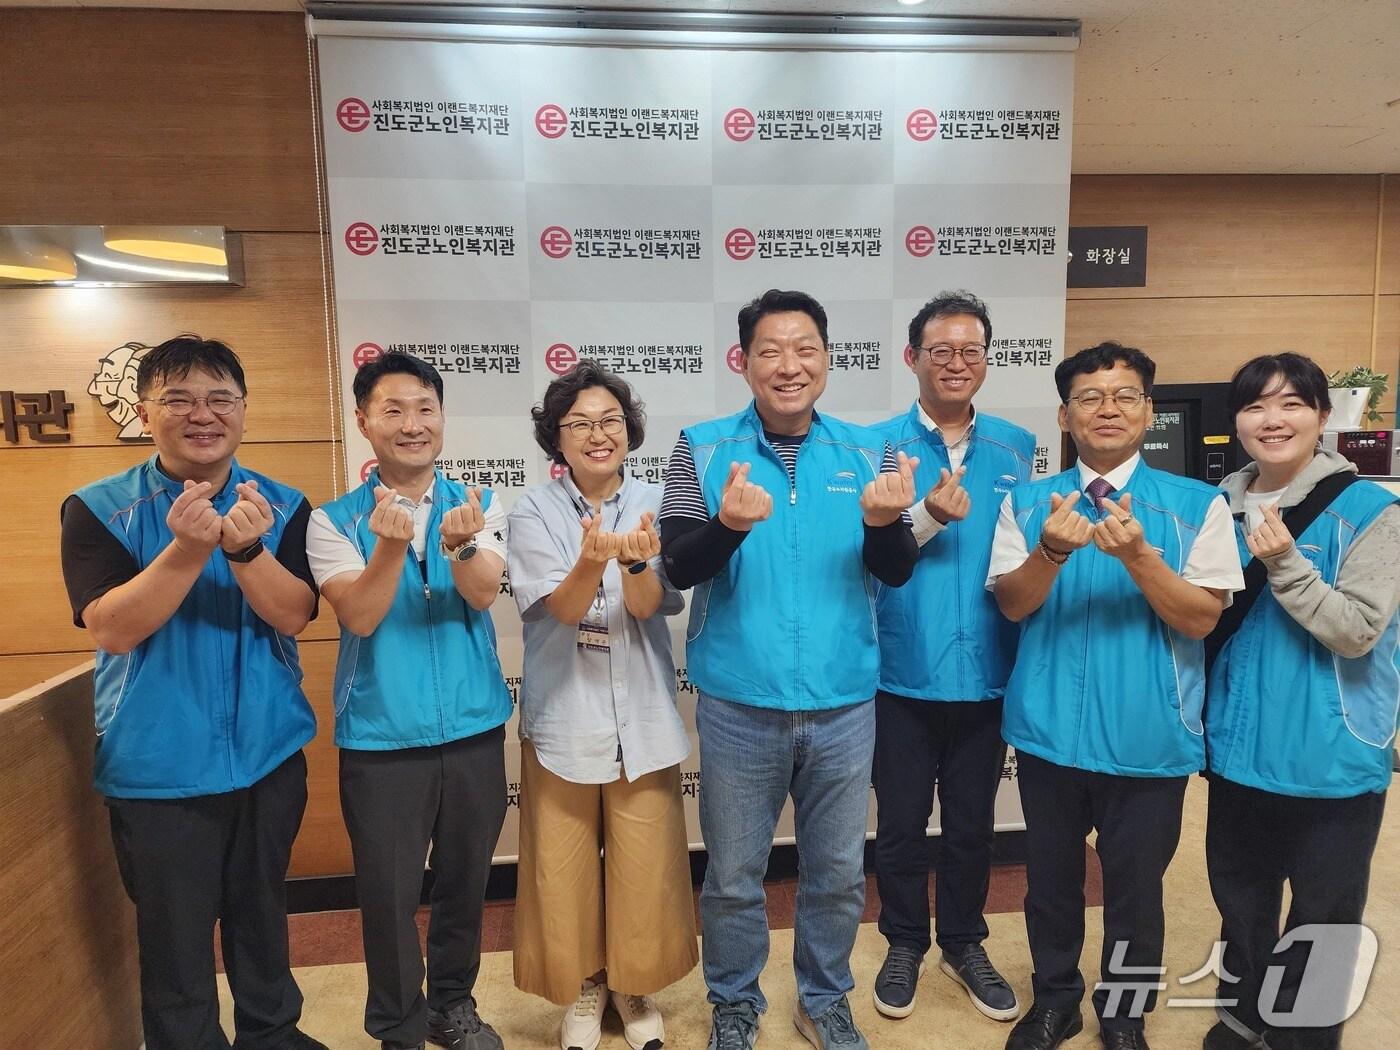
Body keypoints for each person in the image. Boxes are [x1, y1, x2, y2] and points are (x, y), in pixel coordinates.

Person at [658, 288, 919, 1050]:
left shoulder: (871, 452)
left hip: (843, 702)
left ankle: (823, 997)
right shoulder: (702, 447)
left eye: (805, 348)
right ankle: (734, 1003)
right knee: (735, 877)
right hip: (739, 701)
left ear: (828, 360)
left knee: (836, 874)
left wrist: (880, 524)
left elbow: (895, 570)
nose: (789, 365)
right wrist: (728, 527)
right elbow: (676, 566)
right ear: (743, 362)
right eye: (770, 350)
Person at [59, 335, 326, 1050]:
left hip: (268, 758)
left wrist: (243, 550)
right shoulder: (98, 508)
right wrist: (185, 549)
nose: (200, 414)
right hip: (158, 771)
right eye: (177, 399)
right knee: (176, 945)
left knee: (263, 920)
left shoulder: (284, 503)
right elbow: (112, 629)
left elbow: (294, 614)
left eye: (218, 398)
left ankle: (274, 1037)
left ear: (242, 410)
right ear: (147, 412)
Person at [987, 342, 1244, 1050]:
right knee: (1050, 884)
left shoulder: (1199, 506)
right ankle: (1056, 1000)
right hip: (1048, 736)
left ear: (1149, 411)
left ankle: (1124, 1012)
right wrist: (1050, 551)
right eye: (1091, 398)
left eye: (1125, 396)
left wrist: (1138, 556)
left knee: (1137, 891)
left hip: (1149, 737)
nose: (1108, 409)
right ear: (1065, 416)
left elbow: (1200, 617)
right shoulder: (1031, 501)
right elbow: (1012, 605)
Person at [306, 352, 510, 1050]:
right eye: (393, 410)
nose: (412, 424)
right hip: (381, 739)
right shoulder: (332, 521)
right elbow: (359, 615)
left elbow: (484, 593)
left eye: (425, 408)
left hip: (474, 730)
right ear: (364, 421)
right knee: (388, 899)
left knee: (465, 883)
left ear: (443, 419)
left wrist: (459, 545)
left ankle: (452, 1005)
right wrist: (391, 548)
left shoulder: (477, 506)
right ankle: (396, 1026)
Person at [1200, 353, 1400, 1050]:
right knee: (1242, 904)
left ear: (1322, 416)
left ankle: (1305, 1037)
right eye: (1255, 405)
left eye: (1291, 404)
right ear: (1237, 421)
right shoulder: (1217, 506)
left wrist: (1286, 563)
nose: (1272, 419)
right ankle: (1241, 1019)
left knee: (1323, 915)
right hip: (1237, 751)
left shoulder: (1373, 510)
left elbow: (1356, 631)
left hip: (1333, 754)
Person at [506, 360, 699, 1050]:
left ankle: (632, 985)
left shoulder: (659, 500)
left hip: (642, 716)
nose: (597, 434)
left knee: (646, 863)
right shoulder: (531, 508)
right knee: (560, 867)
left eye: (610, 420)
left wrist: (639, 563)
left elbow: (649, 608)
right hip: (565, 716)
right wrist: (594, 558)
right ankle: (587, 987)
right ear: (556, 438)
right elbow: (558, 607)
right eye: (580, 423)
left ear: (630, 430)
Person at [869, 291, 1035, 1024]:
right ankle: (903, 940)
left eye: (971, 350)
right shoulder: (874, 446)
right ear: (913, 359)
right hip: (899, 671)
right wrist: (923, 515)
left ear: (988, 361)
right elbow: (869, 558)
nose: (957, 363)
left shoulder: (1017, 448)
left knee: (973, 826)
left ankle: (963, 940)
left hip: (990, 670)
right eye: (941, 350)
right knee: (901, 824)